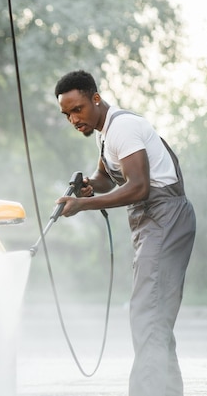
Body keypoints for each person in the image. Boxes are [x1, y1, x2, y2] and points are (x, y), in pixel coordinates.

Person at [53, 70, 196, 396]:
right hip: (153, 224)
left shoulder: (125, 128)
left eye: (78, 109)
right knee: (154, 316)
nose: (74, 119)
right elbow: (107, 175)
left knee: (147, 316)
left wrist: (82, 206)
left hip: (165, 219)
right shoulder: (107, 133)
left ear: (96, 98)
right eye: (67, 114)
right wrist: (89, 187)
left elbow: (139, 187)